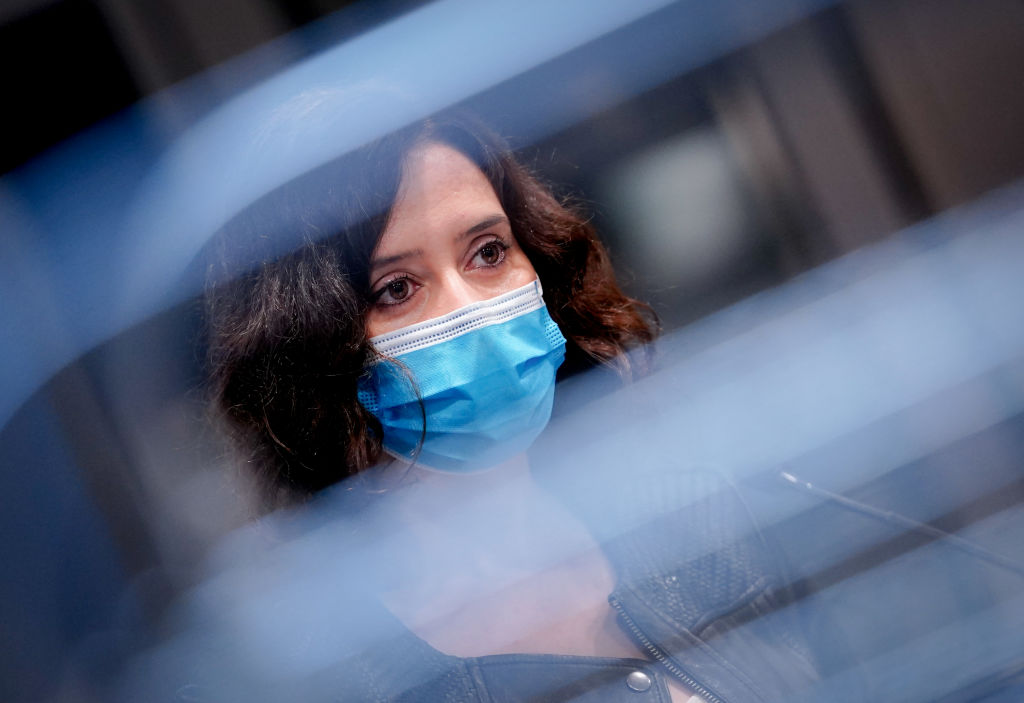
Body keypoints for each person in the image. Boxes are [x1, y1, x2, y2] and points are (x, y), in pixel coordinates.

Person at [195, 106, 846, 703]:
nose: (470, 306)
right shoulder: (330, 681)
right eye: (396, 288)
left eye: (487, 251)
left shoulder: (696, 521)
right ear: (315, 345)